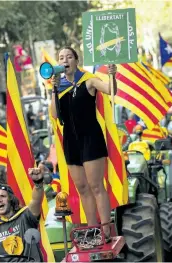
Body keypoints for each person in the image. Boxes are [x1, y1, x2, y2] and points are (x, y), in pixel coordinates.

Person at [50, 46, 117, 242]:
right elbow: (54, 114)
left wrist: (112, 75)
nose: (65, 60)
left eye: (69, 56)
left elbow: (111, 90)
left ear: (76, 60)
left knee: (96, 186)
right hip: (71, 141)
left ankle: (105, 230)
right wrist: (53, 88)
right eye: (61, 57)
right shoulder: (59, 86)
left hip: (90, 137)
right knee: (82, 188)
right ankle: (92, 229)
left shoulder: (88, 80)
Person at [0, 164, 47, 262]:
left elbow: (36, 201)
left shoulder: (25, 216)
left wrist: (38, 183)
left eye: (3, 196)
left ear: (11, 199)